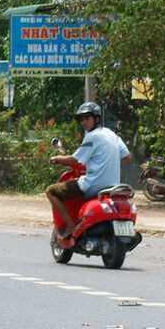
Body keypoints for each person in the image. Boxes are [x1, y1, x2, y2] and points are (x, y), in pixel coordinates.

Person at [46, 102, 130, 238]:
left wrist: (57, 158)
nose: (83, 122)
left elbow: (74, 159)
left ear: (96, 119)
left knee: (51, 191)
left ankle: (70, 226)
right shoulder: (112, 134)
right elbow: (126, 156)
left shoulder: (91, 137)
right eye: (81, 119)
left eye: (87, 118)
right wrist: (107, 161)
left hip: (93, 185)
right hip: (113, 185)